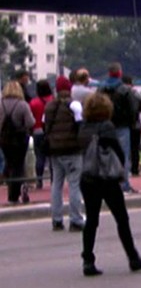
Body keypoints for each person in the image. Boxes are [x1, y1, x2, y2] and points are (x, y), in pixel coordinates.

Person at [77, 92, 141, 276]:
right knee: (121, 219)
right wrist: (121, 173)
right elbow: (118, 152)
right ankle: (133, 258)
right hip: (107, 179)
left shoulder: (83, 127)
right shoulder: (107, 126)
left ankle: (88, 260)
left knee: (92, 220)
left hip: (87, 178)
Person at [44, 76, 85, 231]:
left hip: (55, 149)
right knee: (74, 184)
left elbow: (45, 125)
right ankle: (75, 219)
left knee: (56, 184)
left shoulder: (49, 106)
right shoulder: (74, 105)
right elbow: (81, 125)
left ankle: (57, 219)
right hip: (72, 148)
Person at [98, 63, 141, 193]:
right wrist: (131, 122)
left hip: (105, 125)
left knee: (105, 155)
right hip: (122, 125)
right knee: (123, 155)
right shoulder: (125, 90)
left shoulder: (101, 89)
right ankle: (124, 184)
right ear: (119, 73)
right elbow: (133, 108)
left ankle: (107, 183)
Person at [0, 81, 36, 204]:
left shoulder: (1, 104)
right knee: (18, 165)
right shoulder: (22, 105)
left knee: (9, 163)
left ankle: (10, 187)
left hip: (4, 139)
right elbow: (30, 122)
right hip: (19, 139)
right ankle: (14, 194)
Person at [29, 79, 53, 188]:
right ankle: (54, 179)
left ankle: (39, 180)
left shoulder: (33, 102)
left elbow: (31, 118)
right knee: (52, 156)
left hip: (37, 130)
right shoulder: (53, 100)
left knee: (39, 156)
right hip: (51, 130)